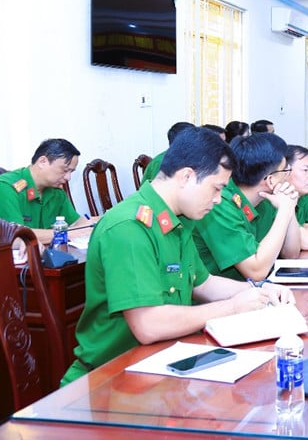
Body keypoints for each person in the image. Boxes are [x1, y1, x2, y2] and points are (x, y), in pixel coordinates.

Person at [60, 128, 294, 385]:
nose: (218, 200)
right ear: (186, 176)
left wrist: (260, 289)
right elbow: (149, 325)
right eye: (216, 189)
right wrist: (233, 307)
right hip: (111, 377)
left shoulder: (178, 219)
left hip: (162, 365)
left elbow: (203, 283)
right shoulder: (129, 228)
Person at [193, 133, 301, 282]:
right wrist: (284, 211)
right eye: (285, 171)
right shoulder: (220, 204)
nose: (288, 175)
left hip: (251, 294)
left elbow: (292, 254)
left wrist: (289, 206)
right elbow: (256, 272)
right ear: (270, 180)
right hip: (218, 300)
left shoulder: (267, 198)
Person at [0, 139, 93, 244]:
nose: (68, 177)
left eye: (71, 171)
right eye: (65, 170)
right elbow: (16, 237)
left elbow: (75, 222)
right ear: (42, 162)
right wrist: (69, 234)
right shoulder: (7, 187)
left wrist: (99, 224)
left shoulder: (56, 191)